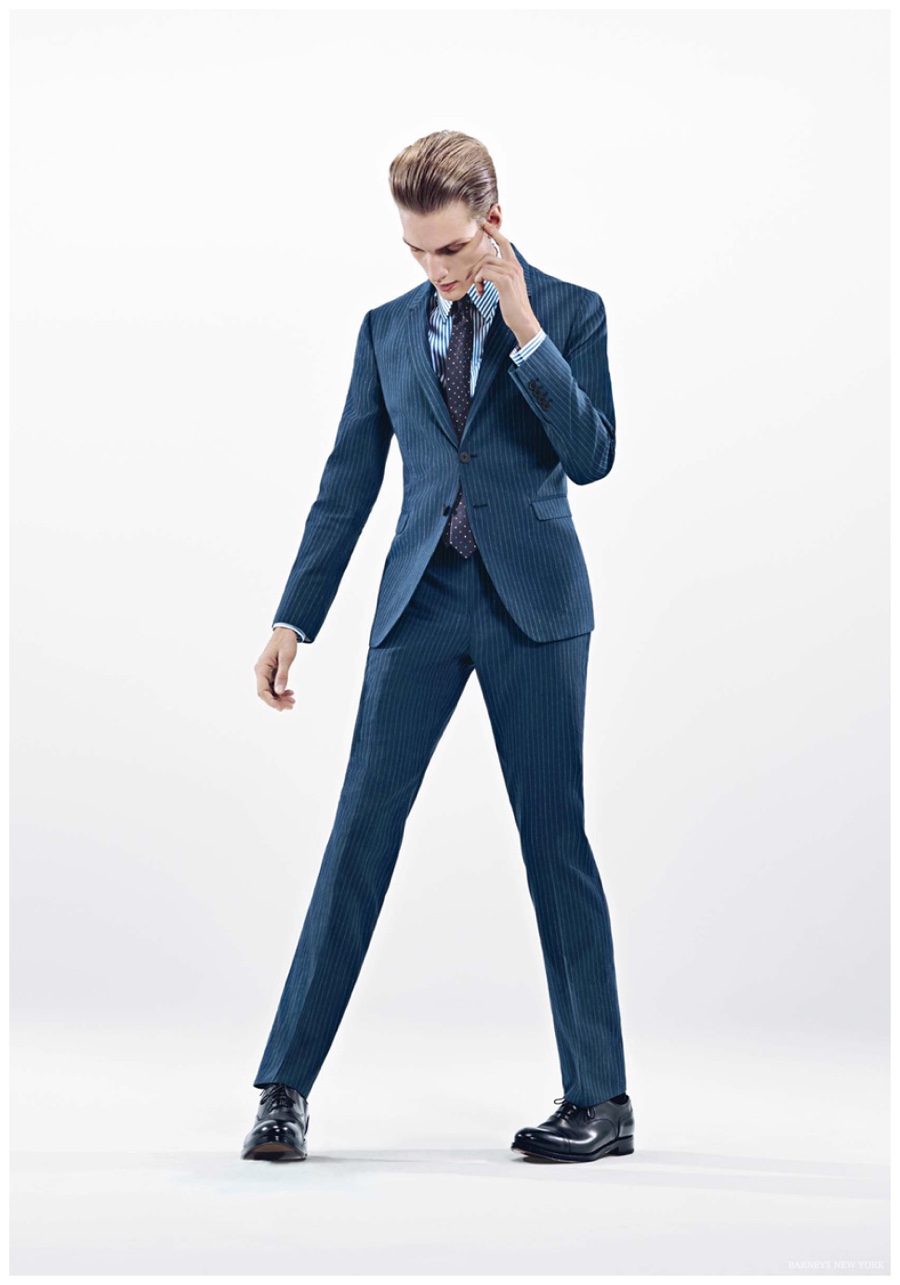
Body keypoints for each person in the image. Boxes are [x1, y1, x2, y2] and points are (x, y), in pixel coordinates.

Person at [241, 130, 634, 1165]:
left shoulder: (573, 311)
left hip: (534, 607)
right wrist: (294, 617)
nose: (436, 269)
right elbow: (347, 484)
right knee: (358, 835)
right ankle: (283, 1090)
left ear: (493, 220)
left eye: (452, 248)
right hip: (420, 604)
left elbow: (591, 457)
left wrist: (524, 327)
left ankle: (600, 1099)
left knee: (555, 841)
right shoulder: (384, 330)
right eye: (416, 251)